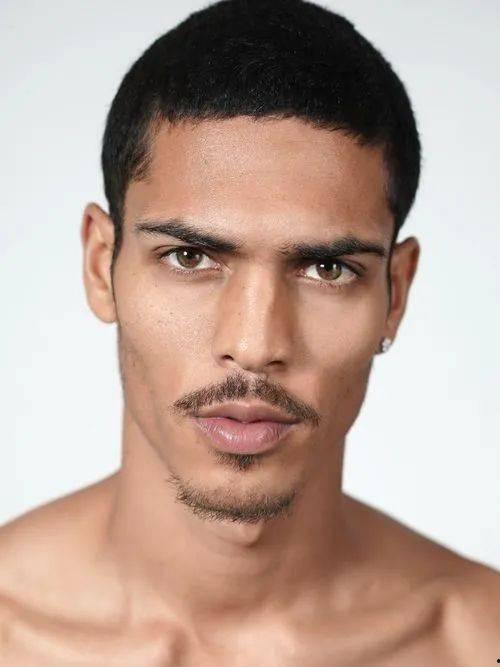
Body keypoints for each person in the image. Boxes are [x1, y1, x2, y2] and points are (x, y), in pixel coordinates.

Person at [1, 0, 499, 663]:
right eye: (189, 257)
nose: (255, 344)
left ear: (395, 294)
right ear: (100, 265)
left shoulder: (476, 641)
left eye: (327, 269)